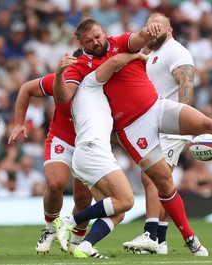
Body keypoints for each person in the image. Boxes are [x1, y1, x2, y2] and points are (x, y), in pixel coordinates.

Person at [53, 18, 212, 257]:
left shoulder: (119, 42)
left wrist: (149, 30)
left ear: (103, 32)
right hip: (132, 129)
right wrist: (59, 73)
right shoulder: (79, 65)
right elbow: (62, 97)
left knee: (207, 123)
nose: (95, 42)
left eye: (97, 36)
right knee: (163, 183)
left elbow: (140, 37)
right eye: (89, 41)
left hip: (157, 106)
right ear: (80, 43)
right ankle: (190, 240)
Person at [54, 51, 149, 258]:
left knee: (117, 212)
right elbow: (115, 60)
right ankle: (69, 221)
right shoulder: (89, 82)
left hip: (88, 152)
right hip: (92, 150)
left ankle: (85, 245)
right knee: (126, 201)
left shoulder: (90, 94)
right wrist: (137, 56)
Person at [122, 13, 195, 255]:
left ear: (170, 30)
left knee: (152, 178)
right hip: (155, 123)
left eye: (158, 26)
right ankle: (160, 241)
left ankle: (150, 234)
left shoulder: (176, 51)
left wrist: (183, 119)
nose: (152, 30)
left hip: (172, 123)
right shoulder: (151, 54)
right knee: (161, 181)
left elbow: (185, 83)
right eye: (149, 27)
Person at [7, 50, 93, 254]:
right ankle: (49, 229)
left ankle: (77, 240)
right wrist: (19, 123)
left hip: (88, 142)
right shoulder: (62, 79)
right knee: (55, 185)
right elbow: (26, 88)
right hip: (61, 138)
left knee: (83, 198)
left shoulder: (103, 82)